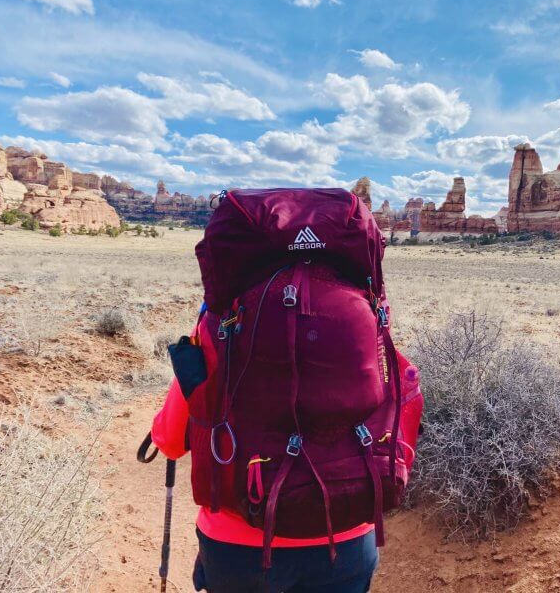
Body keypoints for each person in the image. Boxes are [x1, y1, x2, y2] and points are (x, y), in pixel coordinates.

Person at [148, 187, 422, 593]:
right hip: (347, 534)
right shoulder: (368, 319)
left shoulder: (215, 327)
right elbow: (404, 402)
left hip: (240, 547)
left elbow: (171, 442)